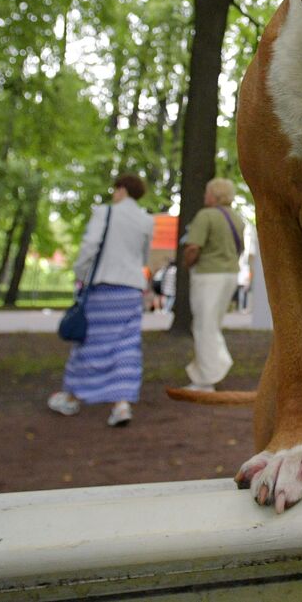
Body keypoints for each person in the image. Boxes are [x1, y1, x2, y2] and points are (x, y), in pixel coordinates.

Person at [47, 173, 155, 428]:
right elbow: (144, 256)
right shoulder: (146, 220)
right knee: (126, 346)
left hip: (104, 287)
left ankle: (73, 396)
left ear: (121, 190)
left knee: (90, 342)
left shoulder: (105, 213)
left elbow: (90, 246)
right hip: (130, 290)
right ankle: (121, 404)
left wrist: (81, 275)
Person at [180, 178, 246, 392]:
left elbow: (193, 248)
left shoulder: (205, 215)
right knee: (212, 324)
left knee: (203, 326)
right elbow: (240, 249)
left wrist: (186, 263)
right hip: (230, 275)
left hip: (208, 276)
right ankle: (211, 370)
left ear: (215, 195)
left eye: (207, 192)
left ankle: (206, 378)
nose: (204, 196)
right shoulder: (237, 218)